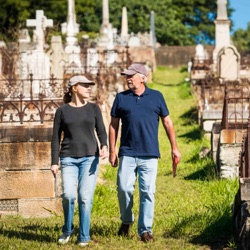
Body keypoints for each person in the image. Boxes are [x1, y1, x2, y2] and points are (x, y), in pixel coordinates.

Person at [109, 63, 181, 242]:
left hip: (149, 153)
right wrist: (112, 150)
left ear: (142, 77)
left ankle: (145, 230)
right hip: (127, 151)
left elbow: (167, 123)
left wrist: (174, 147)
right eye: (126, 76)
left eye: (131, 75)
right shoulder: (121, 98)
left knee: (147, 192)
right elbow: (113, 125)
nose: (128, 78)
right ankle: (126, 220)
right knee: (124, 188)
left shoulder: (156, 97)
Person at [51, 75, 108, 247]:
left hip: (90, 159)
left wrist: (104, 146)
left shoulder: (94, 108)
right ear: (74, 88)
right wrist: (54, 161)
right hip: (68, 158)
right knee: (68, 195)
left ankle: (84, 236)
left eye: (90, 85)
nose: (89, 88)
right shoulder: (62, 111)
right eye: (85, 85)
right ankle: (67, 229)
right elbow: (55, 138)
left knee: (85, 198)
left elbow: (101, 131)